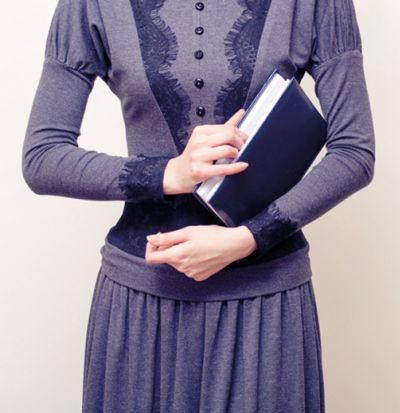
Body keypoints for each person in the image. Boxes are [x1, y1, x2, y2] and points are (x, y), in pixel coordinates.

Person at [22, 0, 375, 410]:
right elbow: (42, 157)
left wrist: (248, 238)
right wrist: (168, 172)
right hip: (142, 305)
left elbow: (355, 152)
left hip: (266, 309)